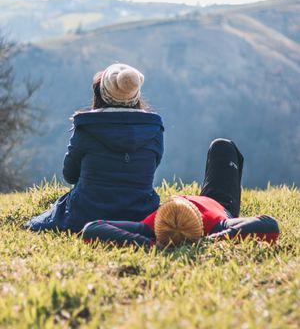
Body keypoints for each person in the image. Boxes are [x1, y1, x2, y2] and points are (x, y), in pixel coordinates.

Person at [25, 63, 164, 233]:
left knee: (36, 224)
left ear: (100, 93)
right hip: (140, 213)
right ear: (136, 97)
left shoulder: (86, 128)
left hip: (87, 214)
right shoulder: (154, 130)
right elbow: (149, 169)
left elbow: (69, 175)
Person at [82, 139, 280, 246]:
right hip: (218, 203)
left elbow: (92, 228)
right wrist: (209, 240)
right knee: (223, 146)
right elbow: (269, 225)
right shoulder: (218, 225)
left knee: (221, 146)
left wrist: (150, 243)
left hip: (164, 233)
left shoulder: (149, 229)